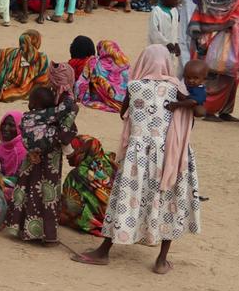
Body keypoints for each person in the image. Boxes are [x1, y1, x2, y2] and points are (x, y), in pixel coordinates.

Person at [73, 45, 201, 274]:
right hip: (170, 155)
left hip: (138, 155)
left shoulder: (134, 86)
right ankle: (161, 260)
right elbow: (192, 116)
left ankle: (104, 251)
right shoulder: (178, 90)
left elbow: (123, 113)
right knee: (168, 202)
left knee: (125, 198)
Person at [7, 85, 78, 243]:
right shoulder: (52, 115)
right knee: (48, 195)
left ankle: (21, 227)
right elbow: (68, 108)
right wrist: (69, 98)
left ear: (34, 103)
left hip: (31, 162)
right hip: (50, 164)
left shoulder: (27, 117)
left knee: (27, 191)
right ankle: (47, 234)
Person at [60, 134, 116, 237]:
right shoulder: (109, 163)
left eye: (72, 152)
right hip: (116, 217)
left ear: (82, 152)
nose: (67, 157)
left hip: (98, 220)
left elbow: (72, 208)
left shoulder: (77, 174)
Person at [0, 30, 51, 102]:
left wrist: (4, 52)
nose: (22, 45)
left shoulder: (15, 52)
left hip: (19, 85)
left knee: (7, 93)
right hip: (25, 86)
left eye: (24, 43)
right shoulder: (40, 57)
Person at [76, 40, 130, 113]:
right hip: (124, 103)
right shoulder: (125, 63)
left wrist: (78, 97)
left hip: (100, 99)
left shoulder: (94, 62)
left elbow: (83, 81)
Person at [0, 111, 27, 178]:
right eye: (4, 124)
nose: (5, 128)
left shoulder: (21, 151)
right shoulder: (5, 143)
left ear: (20, 127)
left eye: (11, 125)